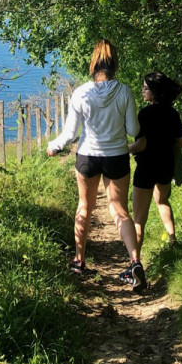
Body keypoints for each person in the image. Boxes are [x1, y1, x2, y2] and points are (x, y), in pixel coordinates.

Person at [47, 40, 147, 292]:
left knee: (85, 206)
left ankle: (78, 261)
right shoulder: (124, 91)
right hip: (116, 157)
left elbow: (70, 134)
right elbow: (134, 130)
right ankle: (135, 262)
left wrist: (54, 146)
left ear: (93, 64)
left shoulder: (81, 92)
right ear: (115, 64)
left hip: (88, 157)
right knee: (120, 211)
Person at [129, 71, 182, 257]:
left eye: (146, 88)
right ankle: (173, 239)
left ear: (154, 91)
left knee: (138, 220)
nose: (142, 91)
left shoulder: (145, 114)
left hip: (146, 169)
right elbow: (181, 142)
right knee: (161, 200)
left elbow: (141, 145)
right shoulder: (172, 113)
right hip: (166, 166)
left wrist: (124, 148)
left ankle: (135, 263)